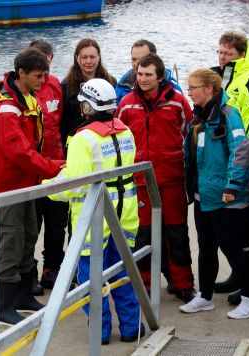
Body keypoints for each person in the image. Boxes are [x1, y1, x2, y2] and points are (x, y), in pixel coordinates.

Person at [43, 78, 143, 345]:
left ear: (87, 106)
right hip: (126, 213)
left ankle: (99, 332)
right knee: (122, 272)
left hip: (95, 216)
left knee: (90, 279)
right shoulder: (125, 131)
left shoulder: (82, 138)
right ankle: (132, 328)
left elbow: (74, 184)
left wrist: (46, 188)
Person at [0, 47, 65, 325]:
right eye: (39, 75)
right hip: (7, 187)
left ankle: (23, 295)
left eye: (46, 74)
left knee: (27, 236)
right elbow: (19, 152)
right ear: (22, 73)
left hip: (24, 183)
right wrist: (53, 166)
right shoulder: (7, 109)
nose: (44, 80)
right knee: (10, 242)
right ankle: (2, 306)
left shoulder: (26, 96)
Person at [179, 68, 249, 319]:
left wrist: (232, 185)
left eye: (193, 87)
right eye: (189, 87)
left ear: (210, 89)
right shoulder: (198, 119)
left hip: (228, 198)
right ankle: (204, 297)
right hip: (204, 196)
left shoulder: (228, 115)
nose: (190, 92)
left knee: (231, 246)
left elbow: (240, 150)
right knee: (206, 247)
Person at [116, 53, 196, 303]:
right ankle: (144, 285)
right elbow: (119, 137)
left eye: (148, 74)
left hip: (171, 177)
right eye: (139, 74)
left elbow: (189, 133)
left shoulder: (177, 102)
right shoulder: (127, 103)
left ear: (160, 77)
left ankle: (183, 283)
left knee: (177, 233)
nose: (143, 79)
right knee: (143, 234)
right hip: (140, 179)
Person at [212, 31, 249, 295]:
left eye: (228, 54)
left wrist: (246, 160)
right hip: (226, 161)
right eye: (220, 52)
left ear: (241, 55)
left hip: (243, 162)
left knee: (247, 229)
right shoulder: (227, 78)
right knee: (231, 229)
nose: (223, 58)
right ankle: (239, 277)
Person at [28, 39, 68, 294]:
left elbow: (61, 124)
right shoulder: (20, 92)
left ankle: (51, 269)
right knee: (31, 227)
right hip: (32, 171)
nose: (45, 74)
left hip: (56, 168)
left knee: (56, 225)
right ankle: (28, 273)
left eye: (49, 66)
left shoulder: (55, 86)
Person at [60, 38, 116, 148]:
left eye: (92, 57)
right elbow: (63, 122)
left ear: (99, 57)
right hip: (78, 141)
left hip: (104, 141)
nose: (88, 61)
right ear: (77, 58)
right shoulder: (66, 86)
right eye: (84, 57)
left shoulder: (111, 82)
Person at [115, 39, 182, 105]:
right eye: (134, 59)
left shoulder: (173, 89)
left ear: (154, 58)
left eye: (143, 59)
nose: (137, 64)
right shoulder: (121, 88)